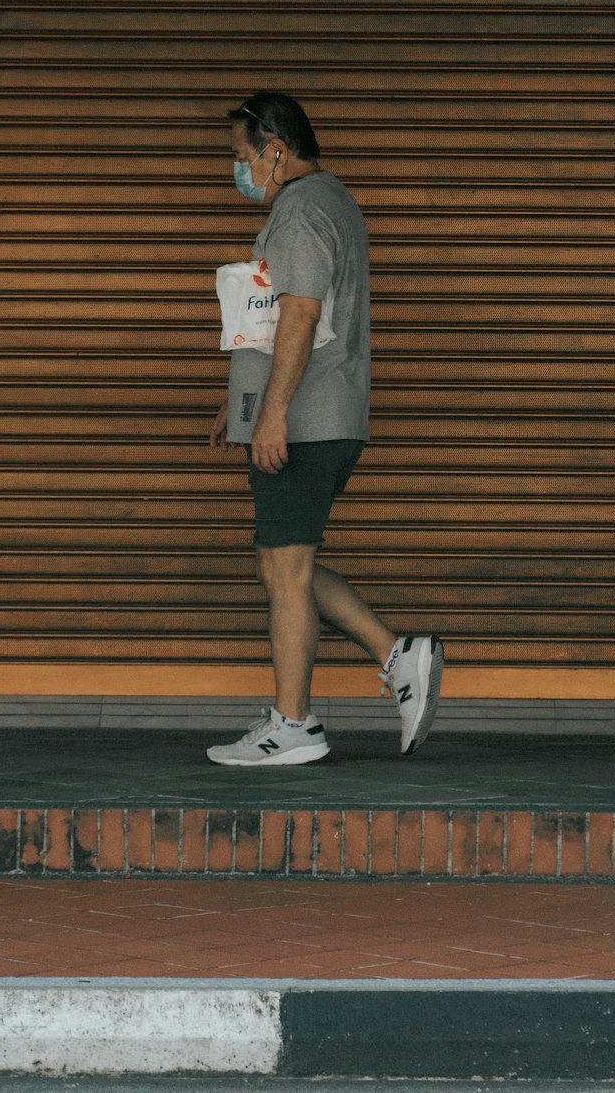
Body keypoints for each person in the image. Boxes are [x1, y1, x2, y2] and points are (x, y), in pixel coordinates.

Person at [207, 92, 444, 766]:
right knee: (286, 565)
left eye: (240, 155)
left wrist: (273, 413)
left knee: (285, 569)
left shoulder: (300, 210)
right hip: (322, 414)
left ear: (274, 150)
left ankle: (294, 723)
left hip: (306, 421)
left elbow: (303, 315)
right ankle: (398, 655)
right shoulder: (330, 200)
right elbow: (277, 320)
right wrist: (246, 398)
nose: (238, 168)